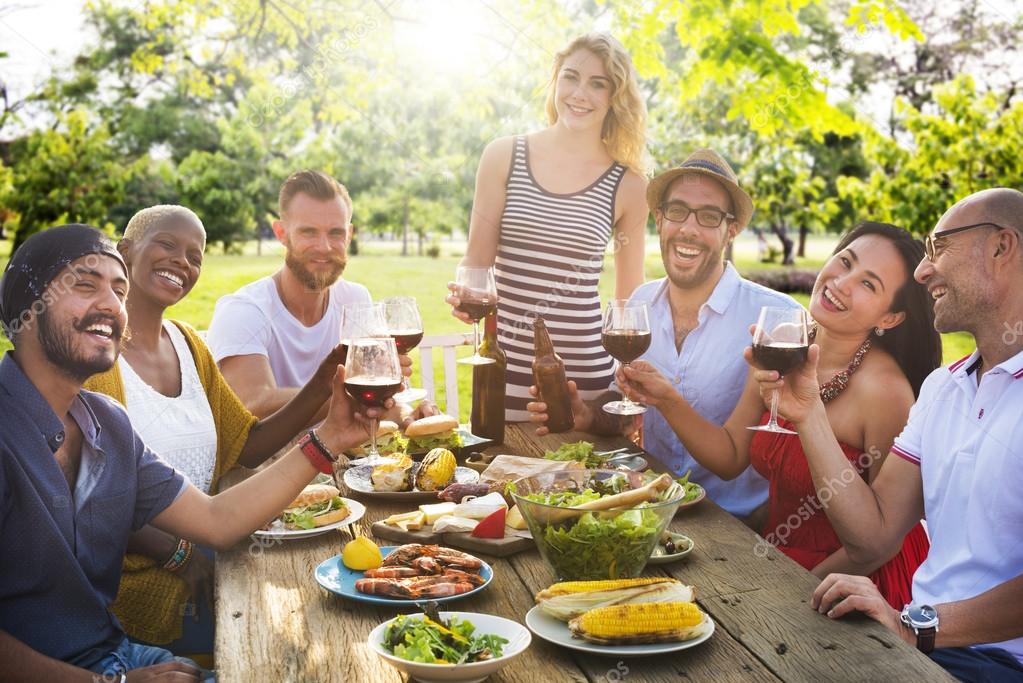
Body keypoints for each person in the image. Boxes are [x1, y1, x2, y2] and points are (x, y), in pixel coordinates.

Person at [0, 224, 375, 680]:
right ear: (26, 306)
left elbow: (217, 521)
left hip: (114, 654)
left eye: (119, 291)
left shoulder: (108, 422)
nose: (109, 304)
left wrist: (330, 438)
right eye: (84, 284)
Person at [759, 189, 1023, 681]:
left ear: (1001, 247)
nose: (923, 272)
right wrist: (809, 411)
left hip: (994, 660)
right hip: (918, 640)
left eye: (938, 247)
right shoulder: (943, 388)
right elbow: (874, 534)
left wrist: (920, 627)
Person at [620, 221, 940, 608]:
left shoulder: (885, 393)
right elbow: (730, 456)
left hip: (854, 584)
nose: (841, 282)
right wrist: (666, 399)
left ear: (889, 318)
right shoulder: (785, 339)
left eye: (868, 284)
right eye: (845, 262)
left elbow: (876, 546)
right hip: (776, 558)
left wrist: (788, 586)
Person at [80, 205, 349, 661]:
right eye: (167, 245)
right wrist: (181, 556)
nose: (182, 262)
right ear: (124, 250)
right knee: (293, 638)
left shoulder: (188, 343)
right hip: (145, 585)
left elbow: (247, 443)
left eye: (195, 255)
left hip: (216, 543)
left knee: (331, 589)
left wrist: (319, 388)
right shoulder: (97, 360)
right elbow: (95, 501)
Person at [528, 149, 801, 522]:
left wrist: (669, 400)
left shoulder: (773, 317)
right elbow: (628, 407)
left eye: (708, 216)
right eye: (677, 211)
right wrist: (587, 416)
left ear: (731, 229)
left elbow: (739, 460)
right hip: (653, 508)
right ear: (659, 218)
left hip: (737, 525)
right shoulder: (641, 303)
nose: (688, 228)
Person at [446, 32, 650, 422]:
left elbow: (628, 301)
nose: (580, 93)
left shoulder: (630, 184)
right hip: (502, 369)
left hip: (585, 378)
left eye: (598, 83)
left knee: (581, 479)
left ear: (615, 96)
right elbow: (477, 263)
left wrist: (629, 385)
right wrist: (465, 297)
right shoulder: (503, 156)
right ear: (555, 79)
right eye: (571, 77)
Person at [206, 169, 371, 418]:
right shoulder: (244, 310)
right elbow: (253, 403)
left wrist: (404, 410)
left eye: (335, 233)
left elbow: (378, 385)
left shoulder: (356, 301)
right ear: (281, 233)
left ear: (349, 235)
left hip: (350, 453)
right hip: (275, 458)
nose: (324, 247)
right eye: (309, 232)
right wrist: (355, 396)